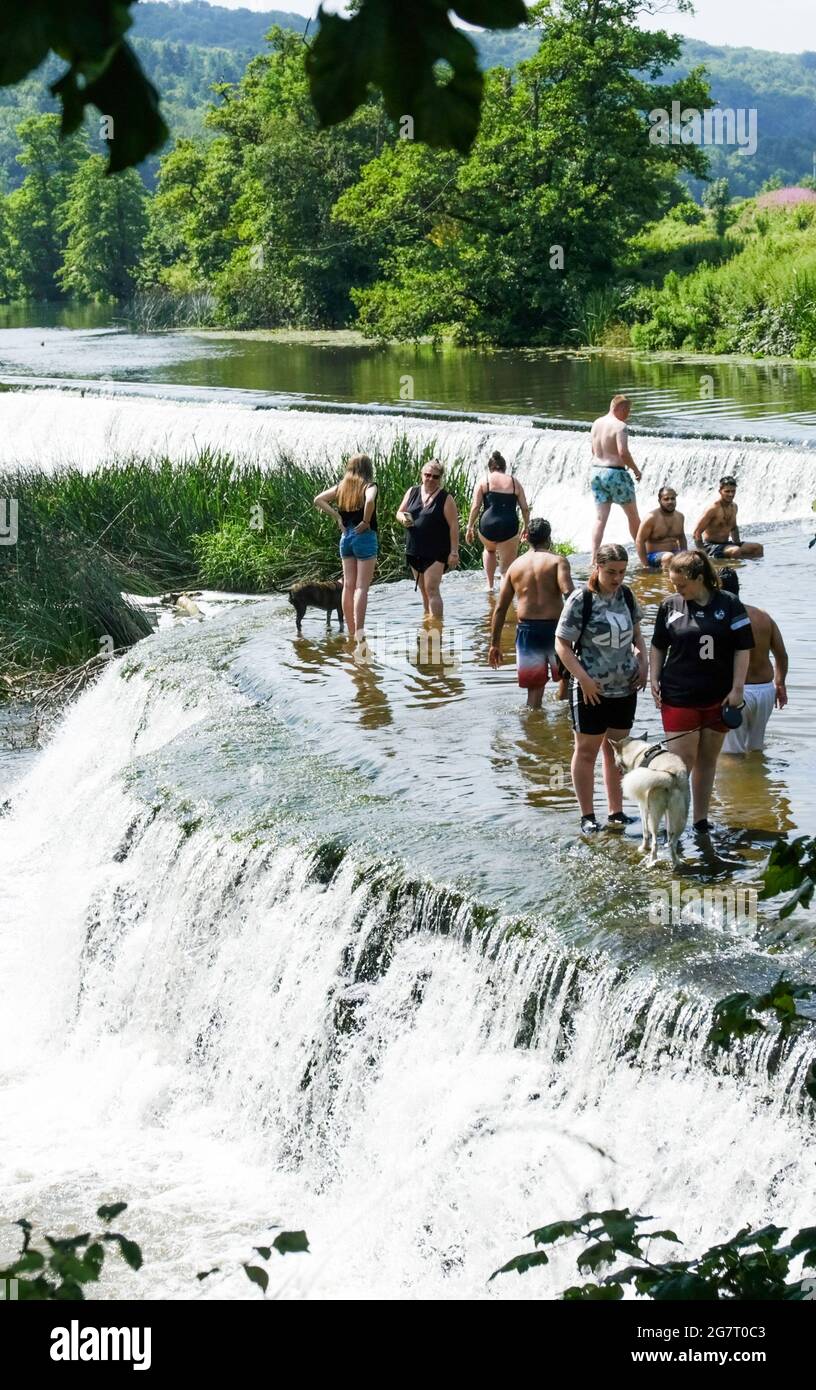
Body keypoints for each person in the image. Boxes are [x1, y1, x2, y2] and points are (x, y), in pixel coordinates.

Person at [649, 549, 754, 832]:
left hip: (718, 699)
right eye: (673, 584)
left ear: (698, 578)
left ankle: (700, 821)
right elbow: (658, 645)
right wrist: (653, 677)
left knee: (708, 761)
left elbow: (743, 648)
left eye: (681, 584)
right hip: (678, 696)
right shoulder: (669, 606)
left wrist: (738, 688)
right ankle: (673, 825)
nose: (676, 589)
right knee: (680, 767)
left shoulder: (730, 604)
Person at [555, 543, 648, 834]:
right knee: (586, 751)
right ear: (597, 566)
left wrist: (643, 664)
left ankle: (616, 811)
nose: (617, 578)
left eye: (622, 572)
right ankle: (587, 815)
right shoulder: (581, 599)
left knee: (617, 752)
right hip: (590, 688)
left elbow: (637, 636)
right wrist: (582, 678)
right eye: (611, 572)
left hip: (624, 687)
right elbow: (562, 645)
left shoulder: (627, 595)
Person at [488, 518, 574, 709]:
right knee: (566, 680)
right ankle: (564, 729)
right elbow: (569, 594)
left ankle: (533, 732)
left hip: (528, 632)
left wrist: (494, 644)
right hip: (556, 630)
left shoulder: (515, 567)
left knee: (534, 692)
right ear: (549, 538)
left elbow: (500, 609)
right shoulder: (558, 562)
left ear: (526, 538)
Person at [718, 569, 788, 754]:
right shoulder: (762, 616)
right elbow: (781, 655)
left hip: (737, 693)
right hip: (766, 692)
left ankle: (745, 783)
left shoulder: (721, 618)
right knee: (756, 749)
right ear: (738, 587)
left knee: (731, 755)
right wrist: (780, 684)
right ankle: (760, 782)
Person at [314, 453, 377, 637]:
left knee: (348, 586)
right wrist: (366, 521)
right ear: (368, 469)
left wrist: (337, 517)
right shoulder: (369, 486)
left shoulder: (342, 487)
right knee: (361, 587)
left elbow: (318, 499)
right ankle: (359, 631)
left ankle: (350, 630)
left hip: (346, 537)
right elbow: (371, 500)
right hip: (364, 536)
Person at [396, 458, 460, 619]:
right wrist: (403, 518)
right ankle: (427, 624)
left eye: (435, 477)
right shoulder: (412, 491)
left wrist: (454, 552)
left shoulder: (446, 498)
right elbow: (399, 512)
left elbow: (454, 526)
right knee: (424, 591)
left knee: (432, 589)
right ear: (422, 475)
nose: (431, 479)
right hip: (414, 549)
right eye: (428, 475)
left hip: (436, 551)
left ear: (440, 479)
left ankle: (437, 627)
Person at [465, 450, 531, 591]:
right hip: (509, 525)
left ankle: (489, 586)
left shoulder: (484, 481)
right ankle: (505, 595)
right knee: (506, 569)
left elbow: (476, 506)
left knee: (489, 550)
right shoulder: (515, 483)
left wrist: (469, 527)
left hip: (488, 525)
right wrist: (526, 526)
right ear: (504, 467)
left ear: (490, 468)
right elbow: (525, 508)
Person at [589, 395, 642, 560]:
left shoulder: (597, 423)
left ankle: (593, 558)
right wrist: (635, 470)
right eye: (627, 410)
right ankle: (643, 554)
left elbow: (593, 450)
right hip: (615, 473)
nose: (628, 414)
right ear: (619, 408)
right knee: (633, 516)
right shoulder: (620, 426)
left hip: (596, 472)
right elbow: (623, 453)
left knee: (599, 519)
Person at [693, 476, 764, 559]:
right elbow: (696, 533)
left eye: (733, 491)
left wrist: (737, 543)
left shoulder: (734, 507)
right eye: (727, 491)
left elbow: (733, 528)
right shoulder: (713, 509)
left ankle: (747, 570)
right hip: (710, 546)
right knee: (735, 551)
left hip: (726, 544)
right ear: (720, 491)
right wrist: (703, 555)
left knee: (758, 548)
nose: (731, 494)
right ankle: (728, 569)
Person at [636, 486, 687, 569]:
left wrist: (685, 555)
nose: (670, 501)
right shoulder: (651, 518)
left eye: (673, 498)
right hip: (654, 556)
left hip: (674, 553)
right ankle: (667, 581)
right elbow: (639, 541)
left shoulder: (680, 516)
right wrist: (645, 565)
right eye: (666, 499)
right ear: (659, 501)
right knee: (669, 557)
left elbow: (682, 538)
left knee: (695, 557)